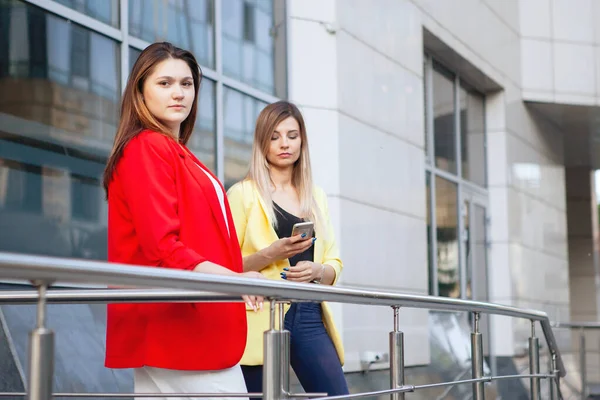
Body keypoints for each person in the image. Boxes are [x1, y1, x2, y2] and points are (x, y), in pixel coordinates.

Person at [102, 42, 263, 399]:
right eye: (165, 83)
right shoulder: (147, 147)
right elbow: (162, 247)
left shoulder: (175, 151)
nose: (178, 93)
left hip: (182, 322)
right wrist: (236, 280)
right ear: (140, 90)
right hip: (176, 326)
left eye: (187, 84)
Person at [227, 101, 349, 397]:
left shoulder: (315, 196)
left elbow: (335, 262)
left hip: (309, 312)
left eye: (292, 136)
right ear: (262, 142)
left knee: (336, 394)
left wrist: (318, 270)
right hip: (259, 315)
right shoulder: (243, 194)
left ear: (302, 141)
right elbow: (224, 265)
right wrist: (271, 254)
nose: (285, 144)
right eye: (275, 136)